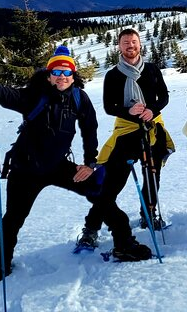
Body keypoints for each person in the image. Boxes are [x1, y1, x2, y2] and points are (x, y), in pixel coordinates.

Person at [0, 46, 103, 283]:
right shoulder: (35, 95)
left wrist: (90, 163)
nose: (62, 76)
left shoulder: (79, 98)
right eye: (57, 71)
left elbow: (90, 129)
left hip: (58, 166)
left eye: (67, 72)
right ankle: (0, 267)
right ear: (49, 75)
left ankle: (122, 239)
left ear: (73, 75)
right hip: (25, 169)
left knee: (100, 189)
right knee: (13, 218)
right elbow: (6, 94)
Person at [77, 28, 174, 260]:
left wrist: (153, 110)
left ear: (140, 45)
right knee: (113, 182)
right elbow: (109, 106)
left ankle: (148, 214)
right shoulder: (113, 75)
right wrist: (129, 111)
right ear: (119, 47)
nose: (130, 46)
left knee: (152, 175)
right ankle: (91, 228)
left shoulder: (151, 69)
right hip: (127, 132)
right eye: (125, 42)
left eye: (134, 42)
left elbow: (164, 96)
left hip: (153, 130)